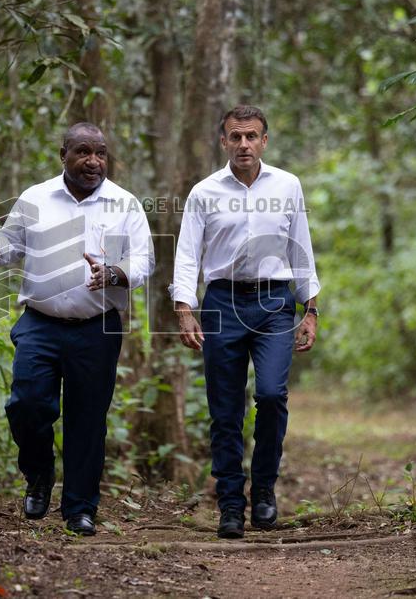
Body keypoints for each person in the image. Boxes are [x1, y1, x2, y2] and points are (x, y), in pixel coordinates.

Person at [0, 122, 154, 536]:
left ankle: (79, 508)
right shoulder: (34, 198)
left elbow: (143, 262)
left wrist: (113, 273)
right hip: (39, 324)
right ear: (63, 154)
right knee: (26, 405)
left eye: (100, 153)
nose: (93, 161)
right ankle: (39, 474)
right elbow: (6, 250)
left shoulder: (125, 203)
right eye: (83, 152)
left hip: (97, 329)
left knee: (87, 420)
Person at [170, 105, 320, 539]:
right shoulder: (204, 192)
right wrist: (184, 308)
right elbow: (186, 254)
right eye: (235, 137)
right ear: (223, 142)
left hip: (275, 303)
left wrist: (310, 309)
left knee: (272, 395)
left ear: (264, 141)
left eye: (251, 136)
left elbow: (301, 248)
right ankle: (231, 504)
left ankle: (266, 491)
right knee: (225, 408)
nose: (243, 144)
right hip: (221, 302)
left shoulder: (288, 186)